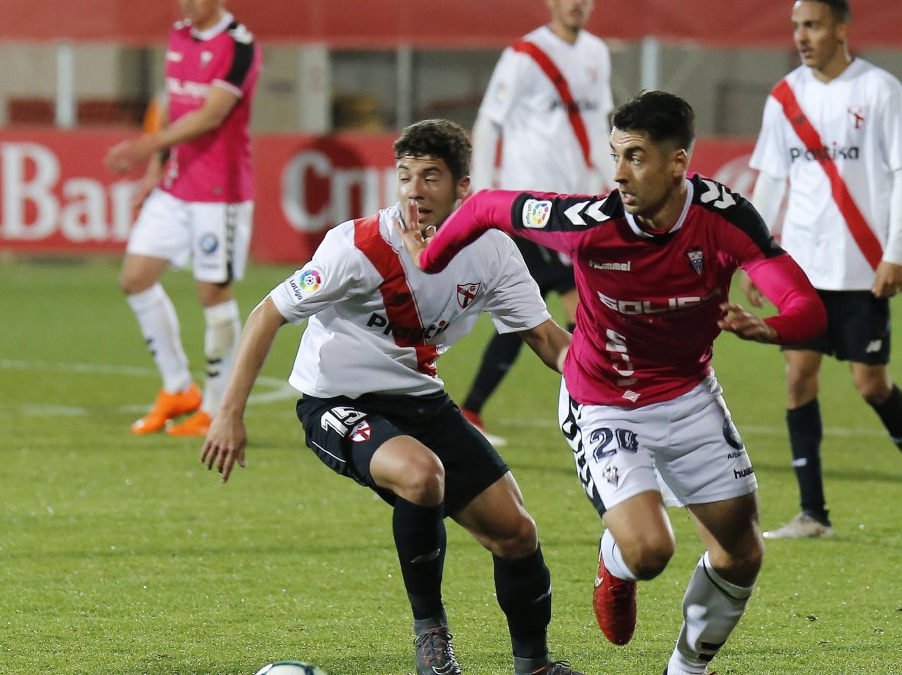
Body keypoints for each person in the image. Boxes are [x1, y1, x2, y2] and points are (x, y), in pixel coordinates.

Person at [405, 91, 826, 675]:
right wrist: (429, 262)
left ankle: (686, 667)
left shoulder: (725, 219)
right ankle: (617, 562)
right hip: (603, 401)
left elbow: (805, 304)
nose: (620, 175)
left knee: (741, 555)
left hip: (689, 394)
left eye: (636, 157)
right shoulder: (589, 225)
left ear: (677, 163)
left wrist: (771, 327)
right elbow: (489, 208)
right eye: (616, 155)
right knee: (651, 551)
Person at [199, 119, 582, 675]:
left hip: (422, 402)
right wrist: (228, 414)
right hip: (337, 402)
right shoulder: (355, 248)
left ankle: (536, 666)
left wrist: (614, 384)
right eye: (405, 175)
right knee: (421, 475)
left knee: (517, 532)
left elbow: (549, 341)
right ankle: (432, 635)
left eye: (431, 176)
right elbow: (267, 315)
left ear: (462, 188)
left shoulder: (493, 252)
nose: (414, 189)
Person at [745, 0, 902, 539]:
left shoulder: (879, 89)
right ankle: (814, 514)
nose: (801, 36)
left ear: (840, 29)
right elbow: (769, 181)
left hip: (863, 268)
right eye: (795, 27)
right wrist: (757, 257)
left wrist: (895, 253)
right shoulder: (784, 96)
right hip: (802, 269)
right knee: (798, 379)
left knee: (870, 382)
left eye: (811, 26)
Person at [460, 0, 615, 444]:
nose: (576, 5)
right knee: (582, 308)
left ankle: (470, 410)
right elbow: (490, 124)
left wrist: (612, 186)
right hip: (531, 208)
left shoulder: (596, 54)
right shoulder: (524, 56)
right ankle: (599, 410)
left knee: (523, 316)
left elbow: (595, 125)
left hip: (576, 208)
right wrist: (485, 202)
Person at [104, 0, 261, 437]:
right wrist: (155, 166)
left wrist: (143, 144)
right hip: (176, 185)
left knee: (212, 292)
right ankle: (177, 388)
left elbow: (211, 114)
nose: (185, 4)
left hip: (220, 193)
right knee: (135, 277)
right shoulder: (179, 35)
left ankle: (215, 407)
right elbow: (172, 103)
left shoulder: (239, 45)